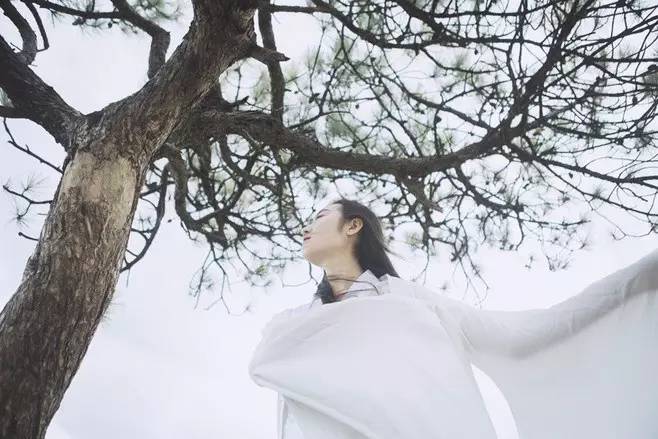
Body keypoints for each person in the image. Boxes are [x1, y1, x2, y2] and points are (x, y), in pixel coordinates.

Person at [249, 198, 658, 439]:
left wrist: (640, 280)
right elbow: (272, 372)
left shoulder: (408, 300)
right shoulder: (296, 324)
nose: (306, 228)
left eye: (320, 216)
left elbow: (520, 334)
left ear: (352, 225)